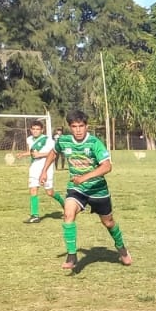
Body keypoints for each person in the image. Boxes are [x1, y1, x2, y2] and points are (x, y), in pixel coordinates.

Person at [53, 110, 131, 271]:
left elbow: (107, 166)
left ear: (86, 126)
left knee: (108, 222)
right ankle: (72, 255)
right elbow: (53, 152)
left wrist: (84, 177)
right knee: (68, 214)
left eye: (81, 126)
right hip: (77, 189)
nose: (78, 130)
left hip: (98, 190)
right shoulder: (63, 141)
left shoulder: (95, 143)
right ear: (70, 127)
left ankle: (121, 246)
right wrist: (43, 171)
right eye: (74, 126)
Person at [19, 119, 62, 224]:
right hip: (34, 168)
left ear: (42, 130)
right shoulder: (29, 139)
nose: (35, 131)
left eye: (37, 129)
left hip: (46, 169)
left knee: (49, 192)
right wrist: (23, 154)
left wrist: (40, 155)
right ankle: (35, 216)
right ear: (30, 130)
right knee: (33, 189)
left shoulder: (48, 140)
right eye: (33, 129)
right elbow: (32, 152)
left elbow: (54, 154)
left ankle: (64, 204)